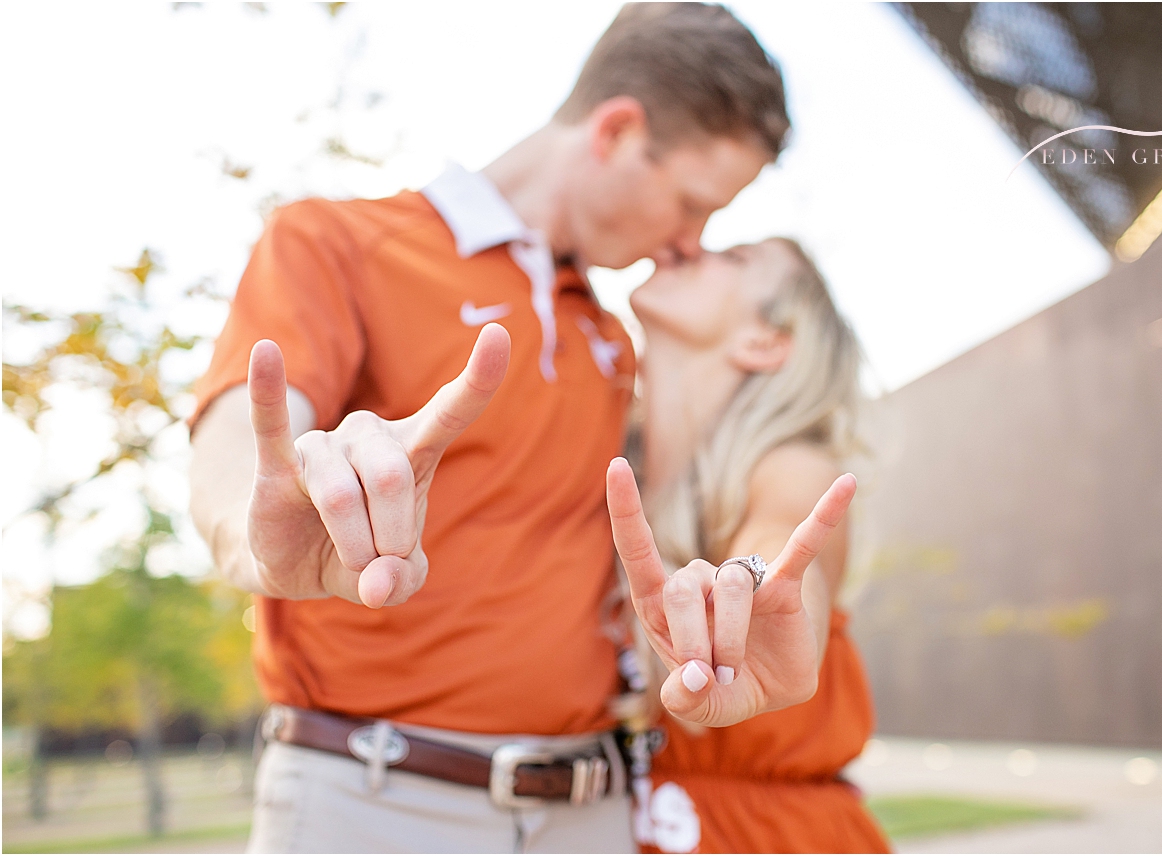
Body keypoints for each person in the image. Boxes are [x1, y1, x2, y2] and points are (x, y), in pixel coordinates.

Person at [184, 5, 830, 851]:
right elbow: (242, 440)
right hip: (377, 801)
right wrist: (253, 528)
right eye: (689, 204)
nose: (687, 243)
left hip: (589, 809)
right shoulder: (336, 240)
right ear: (617, 131)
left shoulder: (614, 340)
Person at [601, 239, 889, 854]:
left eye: (731, 258)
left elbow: (783, 554)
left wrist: (745, 592)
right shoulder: (614, 475)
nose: (686, 245)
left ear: (763, 341)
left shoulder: (794, 465)